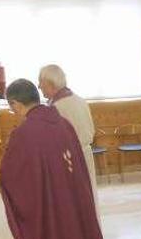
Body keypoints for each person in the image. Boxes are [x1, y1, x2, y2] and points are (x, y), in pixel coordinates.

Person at [0, 79, 117, 239]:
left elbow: (11, 176)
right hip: (73, 202)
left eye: (12, 108)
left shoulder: (24, 134)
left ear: (16, 104)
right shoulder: (63, 124)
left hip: (51, 208)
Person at [39, 64, 99, 205]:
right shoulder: (80, 100)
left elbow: (52, 142)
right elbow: (91, 131)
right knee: (88, 198)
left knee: (73, 202)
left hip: (68, 160)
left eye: (40, 82)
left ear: (49, 83)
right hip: (85, 154)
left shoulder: (56, 108)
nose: (39, 86)